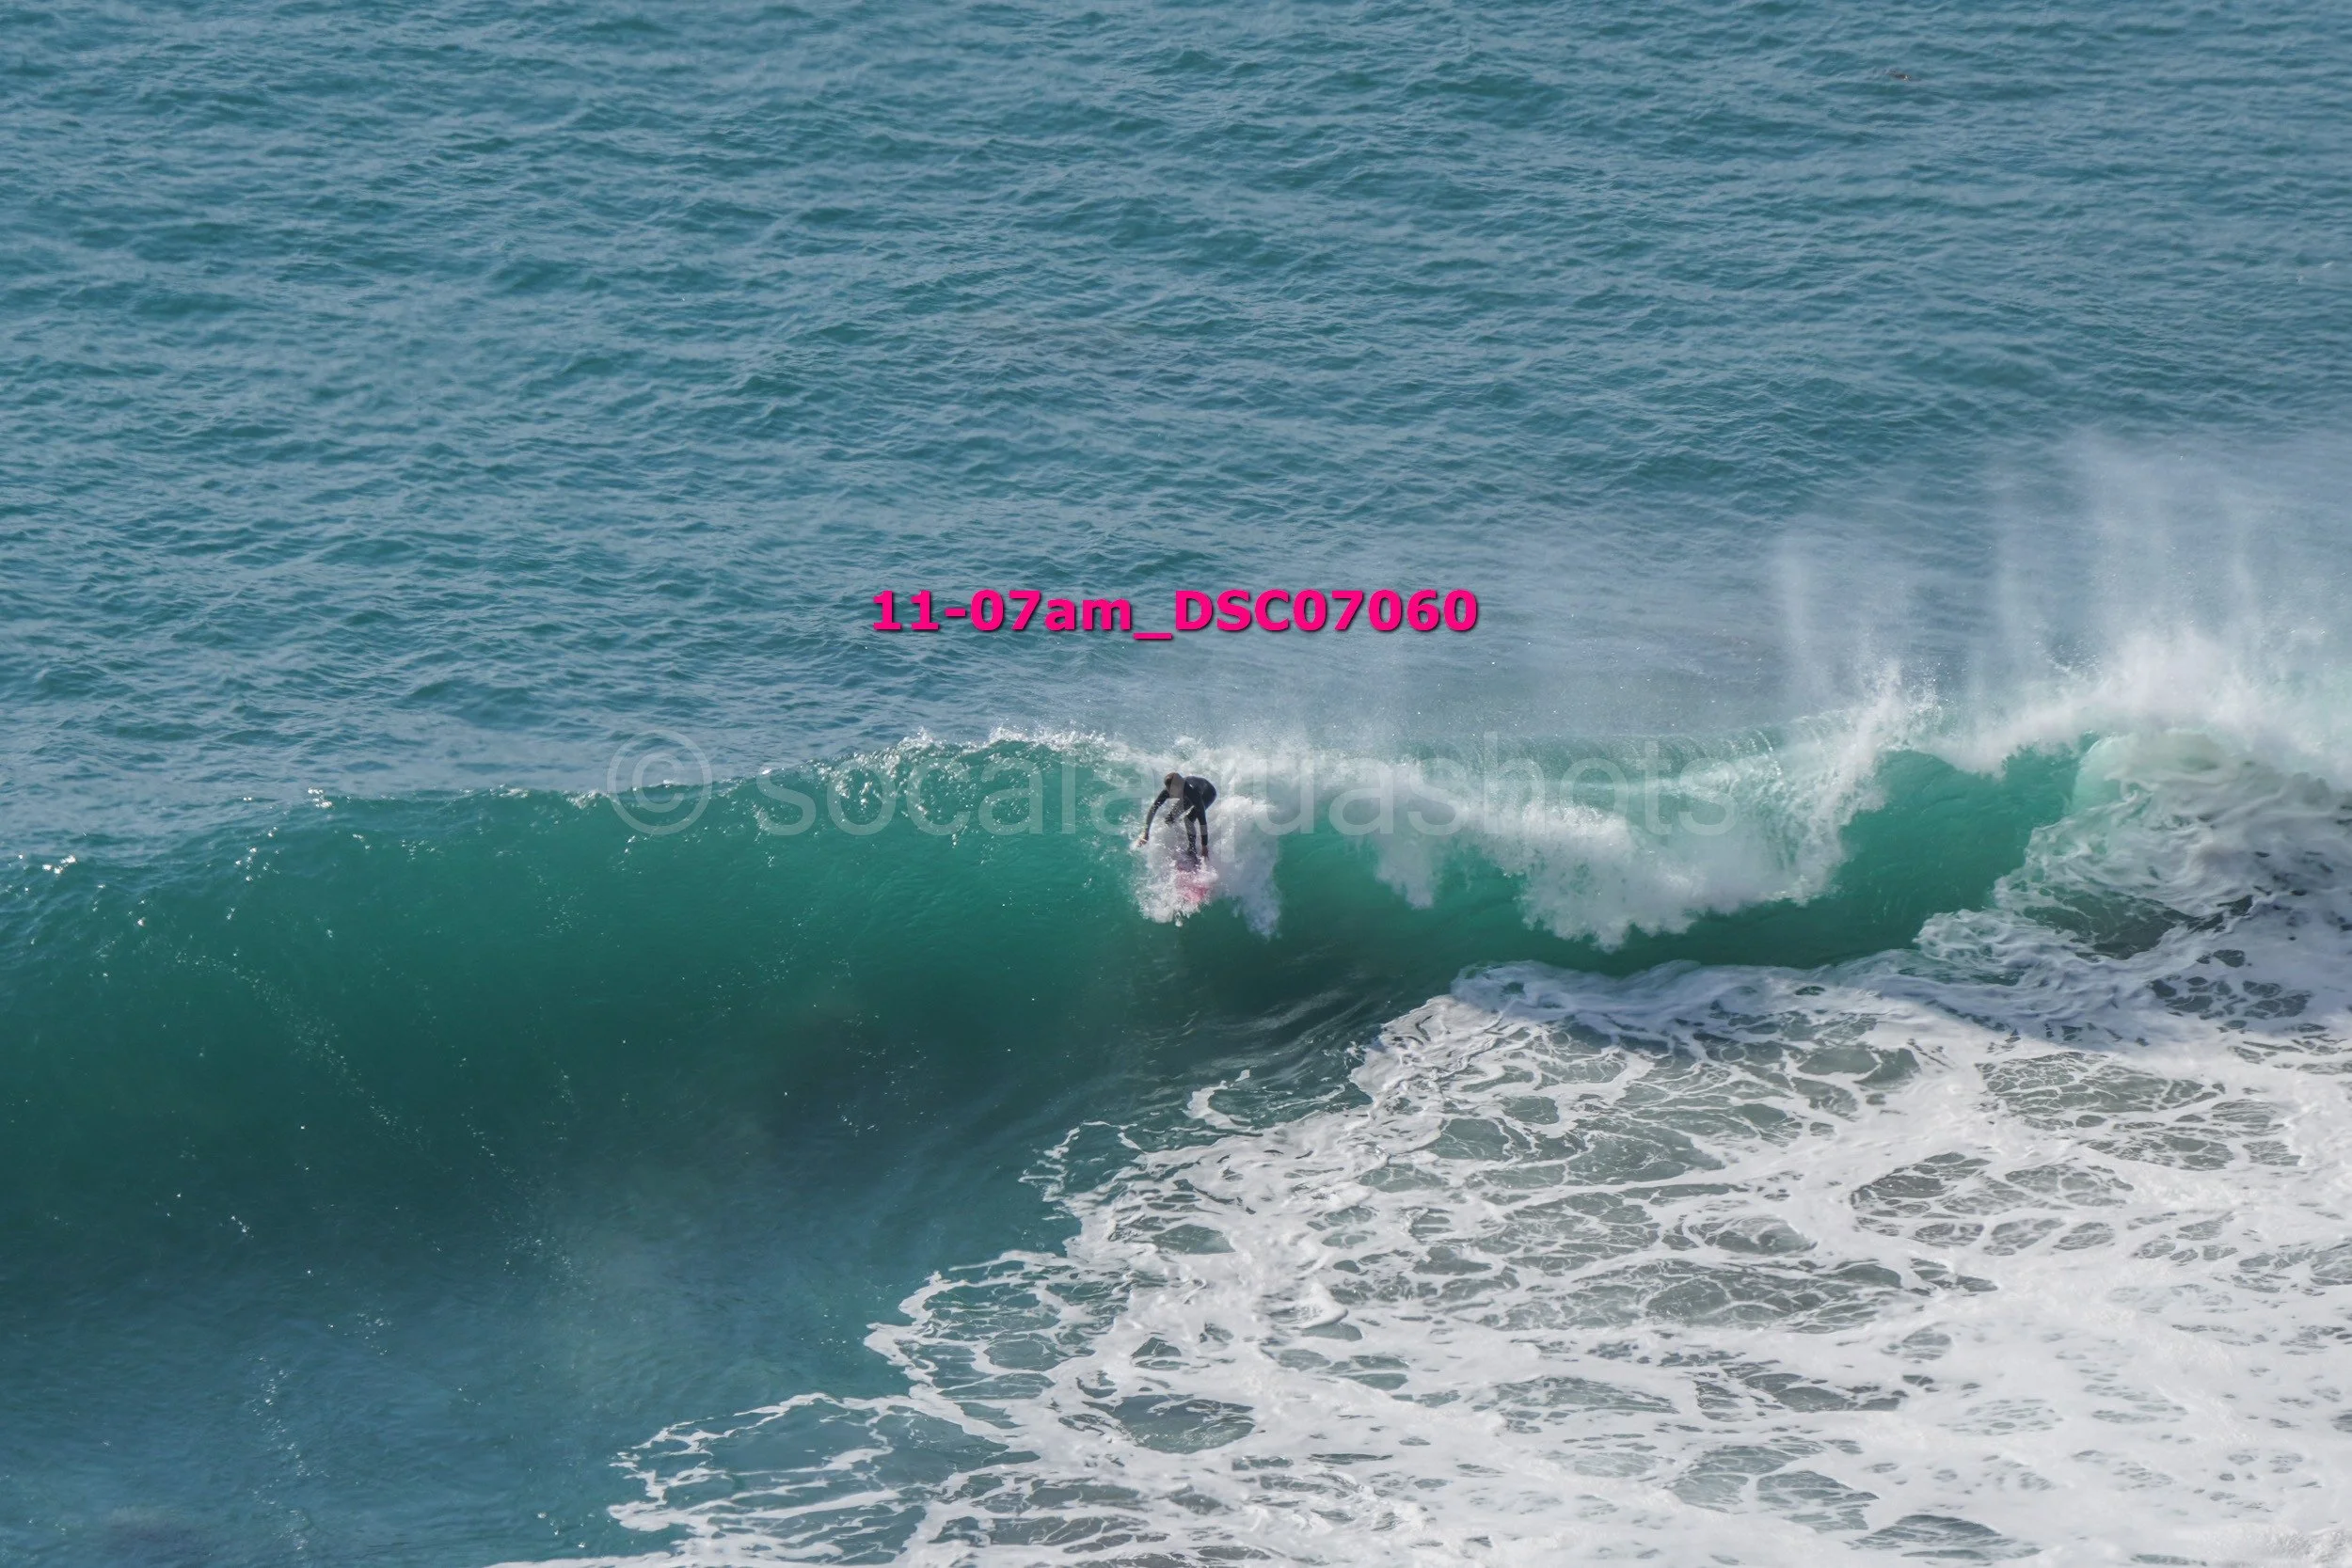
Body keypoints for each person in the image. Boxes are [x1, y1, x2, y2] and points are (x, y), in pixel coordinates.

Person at [1138, 770, 1216, 866]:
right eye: (1170, 791)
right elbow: (1153, 808)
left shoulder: (1193, 793)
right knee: (1169, 819)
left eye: (1174, 792)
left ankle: (1192, 851)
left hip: (1208, 793)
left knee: (1188, 820)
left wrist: (1204, 846)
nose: (1172, 794)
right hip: (1189, 793)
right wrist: (1146, 832)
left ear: (1180, 787)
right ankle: (1184, 837)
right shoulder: (1169, 790)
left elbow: (1202, 821)